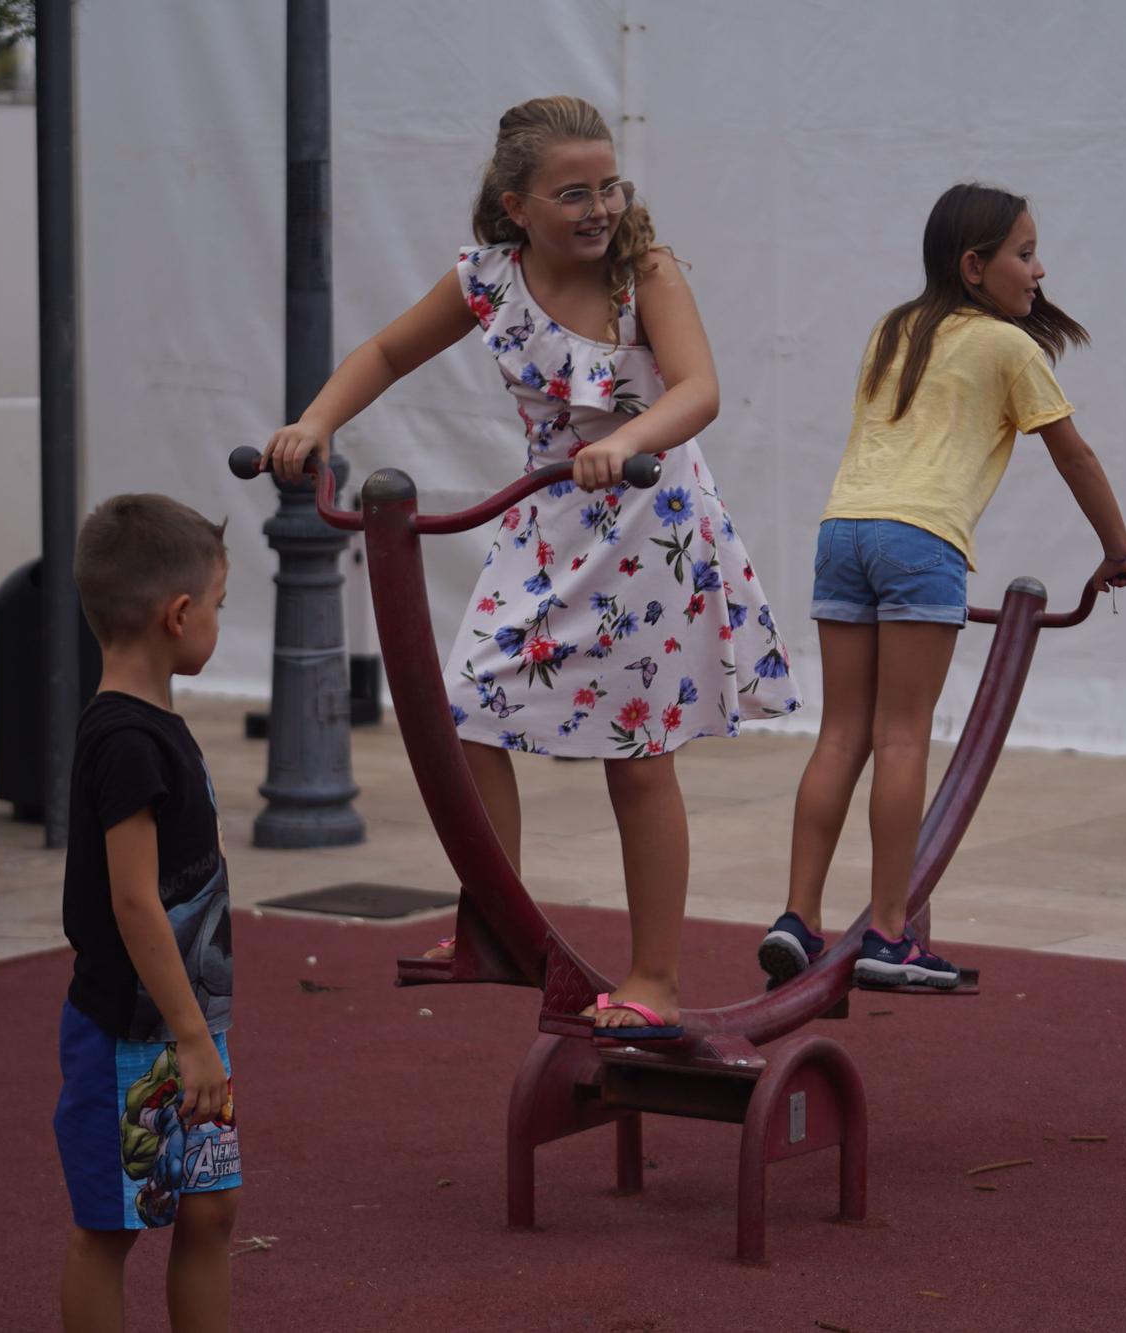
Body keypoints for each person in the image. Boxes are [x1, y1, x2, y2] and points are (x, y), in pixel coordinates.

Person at [259, 95, 799, 1038]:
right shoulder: (487, 279)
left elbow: (701, 389)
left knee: (634, 758)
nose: (599, 207)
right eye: (573, 193)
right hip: (548, 521)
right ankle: (497, 927)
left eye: (609, 185)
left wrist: (624, 438)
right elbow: (386, 350)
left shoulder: (646, 272)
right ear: (516, 206)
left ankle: (655, 978)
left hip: (649, 519)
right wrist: (317, 419)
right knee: (465, 704)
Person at [755, 182, 1126, 991]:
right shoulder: (1010, 348)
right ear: (975, 266)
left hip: (843, 531)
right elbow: (1076, 455)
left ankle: (797, 915)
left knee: (840, 736)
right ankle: (889, 935)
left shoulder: (894, 329)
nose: (1040, 270)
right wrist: (1121, 552)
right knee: (901, 737)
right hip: (921, 538)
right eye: (1024, 253)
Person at [54, 494, 242, 1333]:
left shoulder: (154, 724)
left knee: (210, 1213)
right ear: (178, 614)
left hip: (186, 1027)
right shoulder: (125, 740)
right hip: (137, 1033)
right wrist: (190, 1034)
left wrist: (198, 1032)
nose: (217, 622)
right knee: (114, 1228)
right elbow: (134, 900)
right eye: (218, 606)